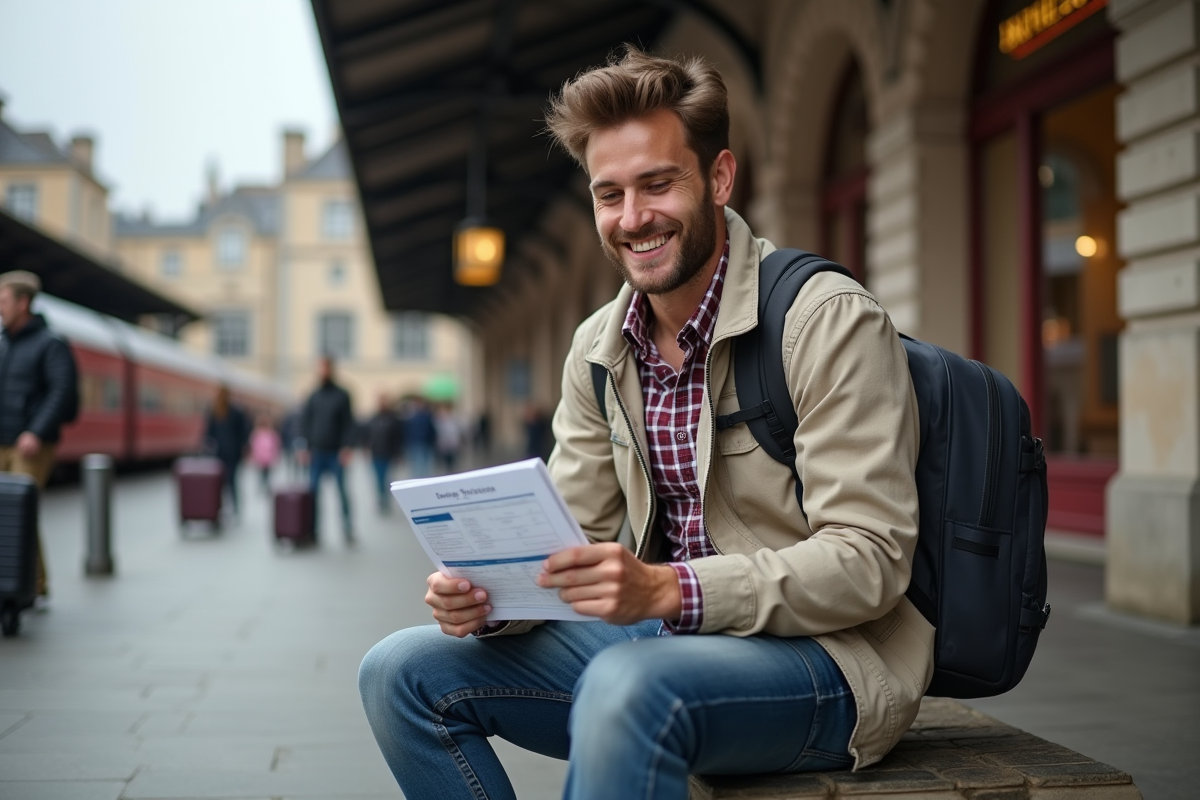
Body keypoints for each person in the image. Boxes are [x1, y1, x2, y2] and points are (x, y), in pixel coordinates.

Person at [357, 49, 928, 800]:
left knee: (630, 685)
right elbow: (564, 549)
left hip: (828, 664)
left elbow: (870, 560)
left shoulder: (825, 322)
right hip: (664, 644)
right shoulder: (598, 349)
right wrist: (488, 602)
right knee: (399, 672)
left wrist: (668, 589)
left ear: (719, 178)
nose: (633, 219)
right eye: (610, 194)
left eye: (658, 184)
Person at [0, 270, 78, 606]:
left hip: (30, 443)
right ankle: (32, 581)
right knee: (14, 512)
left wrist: (36, 431)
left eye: (3, 300)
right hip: (3, 438)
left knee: (19, 509)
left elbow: (61, 392)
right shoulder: (4, 342)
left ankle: (27, 585)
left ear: (23, 302)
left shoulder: (51, 343)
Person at [297, 355, 355, 542]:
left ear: (331, 369)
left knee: (342, 492)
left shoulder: (342, 395)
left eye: (325, 367)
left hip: (336, 452)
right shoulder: (313, 396)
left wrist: (347, 447)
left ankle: (347, 529)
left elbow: (348, 423)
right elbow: (305, 423)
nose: (322, 371)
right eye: (319, 367)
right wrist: (303, 446)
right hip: (317, 452)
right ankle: (313, 531)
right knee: (313, 492)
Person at [203, 385, 250, 516]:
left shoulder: (221, 411)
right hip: (228, 452)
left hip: (226, 453)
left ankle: (229, 507)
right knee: (229, 481)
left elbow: (208, 433)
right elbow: (209, 432)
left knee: (228, 481)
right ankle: (228, 506)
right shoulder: (221, 411)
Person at [363, 393, 403, 513]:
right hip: (376, 453)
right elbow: (367, 435)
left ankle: (386, 499)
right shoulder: (373, 419)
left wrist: (398, 453)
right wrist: (366, 448)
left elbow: (398, 437)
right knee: (378, 479)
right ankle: (381, 499)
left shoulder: (393, 419)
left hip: (389, 453)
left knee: (388, 479)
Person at [401, 396, 436, 479]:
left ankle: (424, 480)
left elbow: (431, 429)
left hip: (425, 442)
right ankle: (418, 480)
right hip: (415, 443)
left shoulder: (426, 415)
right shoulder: (410, 416)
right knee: (417, 464)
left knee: (425, 464)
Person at [249, 414, 281, 495]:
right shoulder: (258, 433)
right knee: (263, 474)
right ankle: (263, 486)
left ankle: (264, 486)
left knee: (265, 474)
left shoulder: (270, 434)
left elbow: (275, 446)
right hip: (263, 458)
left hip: (266, 458)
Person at [433, 402, 463, 474]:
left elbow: (457, 429)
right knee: (446, 457)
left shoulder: (454, 418)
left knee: (452, 457)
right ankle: (448, 469)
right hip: (444, 442)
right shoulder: (438, 419)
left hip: (452, 441)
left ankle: (451, 469)